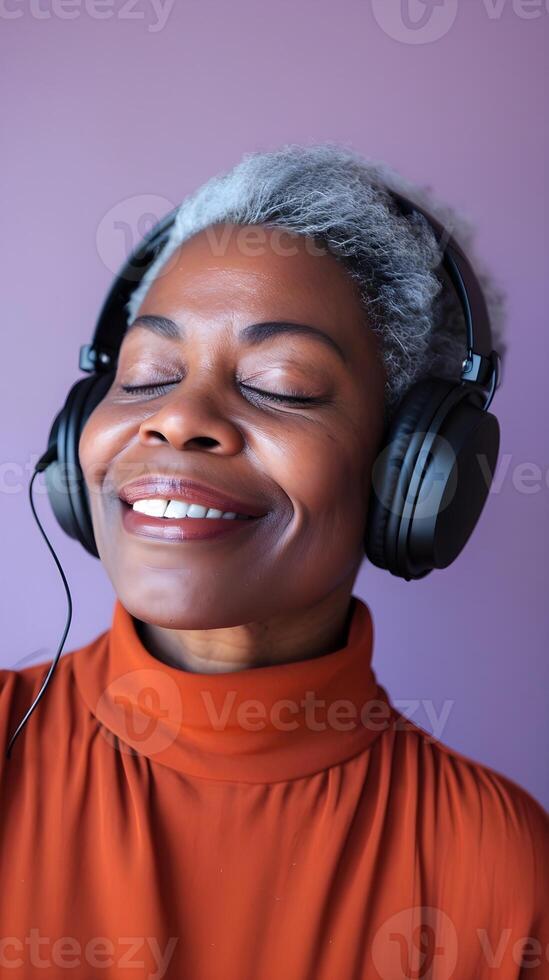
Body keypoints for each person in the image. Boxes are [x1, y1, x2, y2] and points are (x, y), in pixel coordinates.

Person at [1, 143, 547, 980]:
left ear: (410, 470)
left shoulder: (494, 864)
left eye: (280, 383)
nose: (179, 420)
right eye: (146, 375)